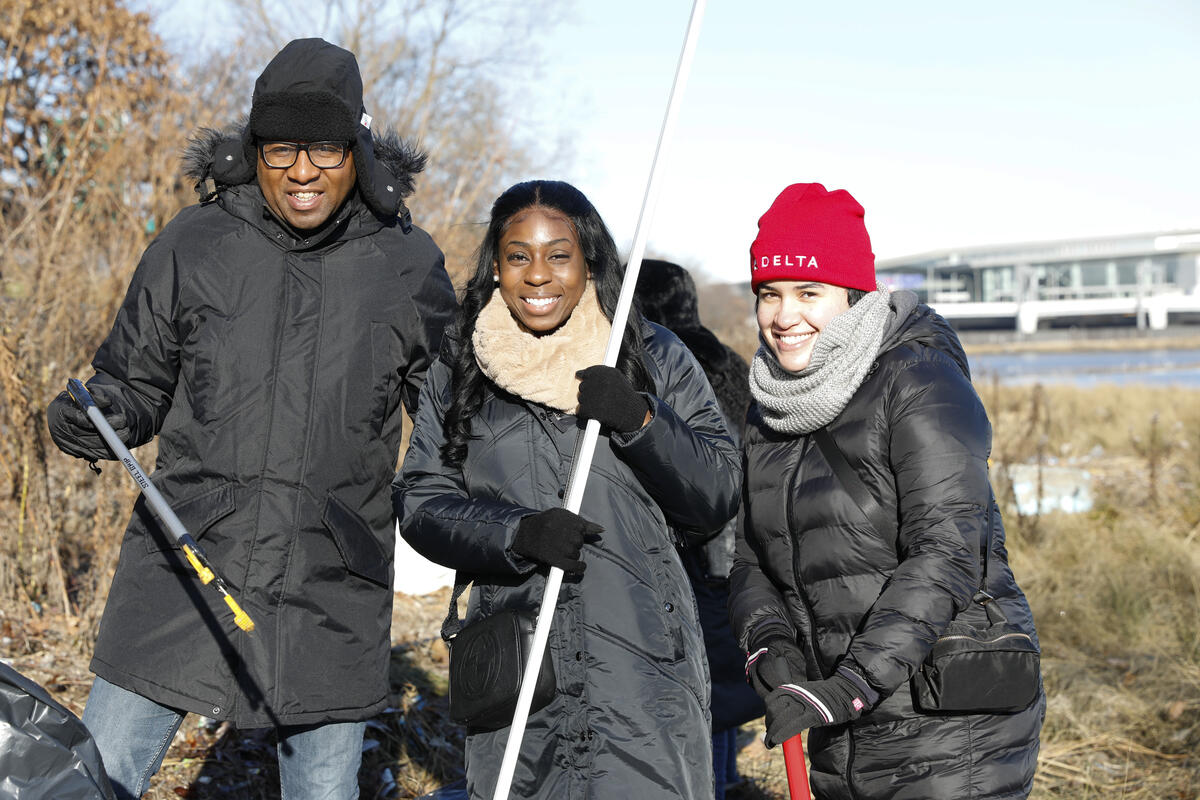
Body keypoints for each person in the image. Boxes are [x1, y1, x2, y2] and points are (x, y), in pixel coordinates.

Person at [45, 38, 456, 800]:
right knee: (89, 783)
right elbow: (131, 384)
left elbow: (451, 422)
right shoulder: (193, 243)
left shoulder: (408, 265)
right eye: (281, 149)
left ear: (358, 150)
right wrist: (94, 414)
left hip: (330, 584)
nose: (302, 171)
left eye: (325, 149)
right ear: (254, 149)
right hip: (185, 565)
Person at [393, 181, 741, 799]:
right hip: (521, 670)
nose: (537, 275)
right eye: (518, 255)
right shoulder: (464, 365)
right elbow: (420, 501)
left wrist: (641, 423)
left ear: (589, 263)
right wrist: (515, 533)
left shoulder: (651, 355)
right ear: (495, 267)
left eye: (559, 254)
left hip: (641, 666)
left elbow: (715, 493)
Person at [728, 183, 1044, 799]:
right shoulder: (768, 405)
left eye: (809, 293)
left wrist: (851, 684)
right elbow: (748, 555)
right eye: (769, 294)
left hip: (949, 721)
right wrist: (768, 647)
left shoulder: (917, 383)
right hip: (838, 717)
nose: (784, 316)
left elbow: (948, 552)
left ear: (853, 295)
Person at [633, 259, 763, 799]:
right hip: (742, 549)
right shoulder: (728, 360)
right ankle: (727, 780)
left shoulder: (664, 361)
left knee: (701, 686)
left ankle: (710, 786)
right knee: (728, 681)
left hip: (699, 547)